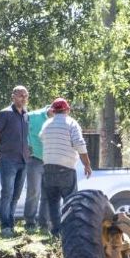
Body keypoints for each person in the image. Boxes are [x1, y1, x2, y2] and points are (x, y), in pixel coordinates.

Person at [39, 97, 92, 237]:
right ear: (67, 110)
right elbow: (79, 144)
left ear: (53, 111)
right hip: (66, 168)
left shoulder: (47, 124)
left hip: (48, 167)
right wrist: (87, 164)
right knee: (70, 201)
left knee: (52, 202)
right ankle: (69, 232)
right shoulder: (71, 123)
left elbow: (41, 139)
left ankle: (56, 232)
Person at [0, 85, 30, 238]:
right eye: (20, 95)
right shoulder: (5, 113)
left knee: (16, 195)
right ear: (13, 96)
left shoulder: (27, 115)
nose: (23, 98)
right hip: (8, 160)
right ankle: (5, 225)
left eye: (25, 95)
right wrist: (5, 147)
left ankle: (11, 224)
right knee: (7, 193)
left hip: (23, 160)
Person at [24, 103, 53, 232]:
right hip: (35, 159)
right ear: (52, 109)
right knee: (33, 192)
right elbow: (21, 130)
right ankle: (30, 222)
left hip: (50, 162)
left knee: (47, 194)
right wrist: (26, 145)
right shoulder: (32, 116)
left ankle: (44, 224)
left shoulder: (59, 120)